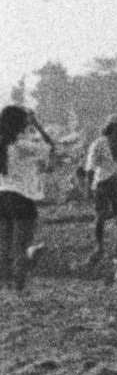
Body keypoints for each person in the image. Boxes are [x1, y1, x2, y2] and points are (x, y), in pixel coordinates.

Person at [0, 104, 57, 290]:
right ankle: (19, 284)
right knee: (22, 246)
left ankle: (7, 283)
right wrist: (38, 125)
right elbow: (50, 147)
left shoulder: (3, 144)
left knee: (5, 244)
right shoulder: (21, 145)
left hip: (2, 196)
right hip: (22, 198)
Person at [84, 116, 117, 275]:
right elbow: (91, 165)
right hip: (104, 182)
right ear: (111, 127)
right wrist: (88, 185)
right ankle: (99, 245)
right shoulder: (99, 143)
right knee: (100, 215)